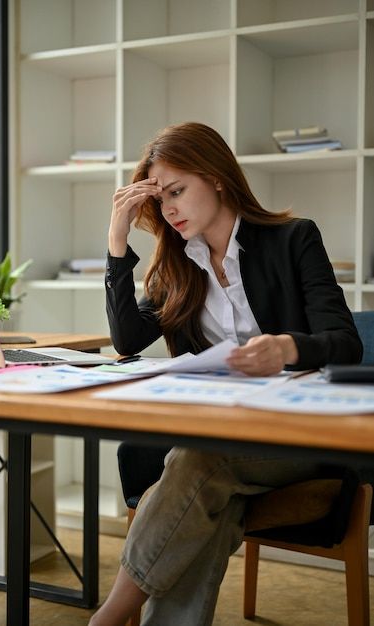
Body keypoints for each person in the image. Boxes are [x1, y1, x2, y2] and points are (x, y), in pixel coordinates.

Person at [89, 122, 362, 626]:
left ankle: (109, 616)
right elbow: (127, 340)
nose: (169, 209)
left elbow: (346, 342)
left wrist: (285, 348)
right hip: (220, 436)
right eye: (160, 198)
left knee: (199, 460)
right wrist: (116, 237)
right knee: (211, 501)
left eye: (177, 191)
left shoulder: (293, 239)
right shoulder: (178, 265)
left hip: (296, 436)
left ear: (215, 178)